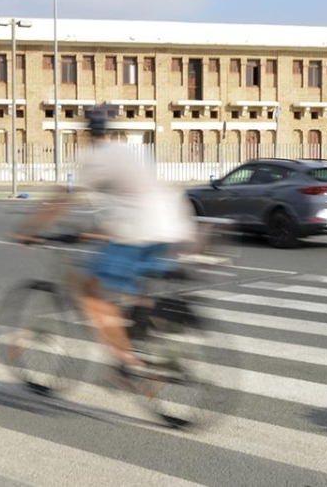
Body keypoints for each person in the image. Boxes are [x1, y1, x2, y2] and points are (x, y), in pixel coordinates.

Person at [12, 106, 197, 378]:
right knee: (130, 290)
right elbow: (127, 195)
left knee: (88, 292)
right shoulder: (125, 151)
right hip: (170, 224)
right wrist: (96, 231)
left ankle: (126, 360)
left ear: (87, 133)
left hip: (138, 229)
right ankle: (148, 338)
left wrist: (28, 229)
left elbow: (64, 199)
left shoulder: (94, 157)